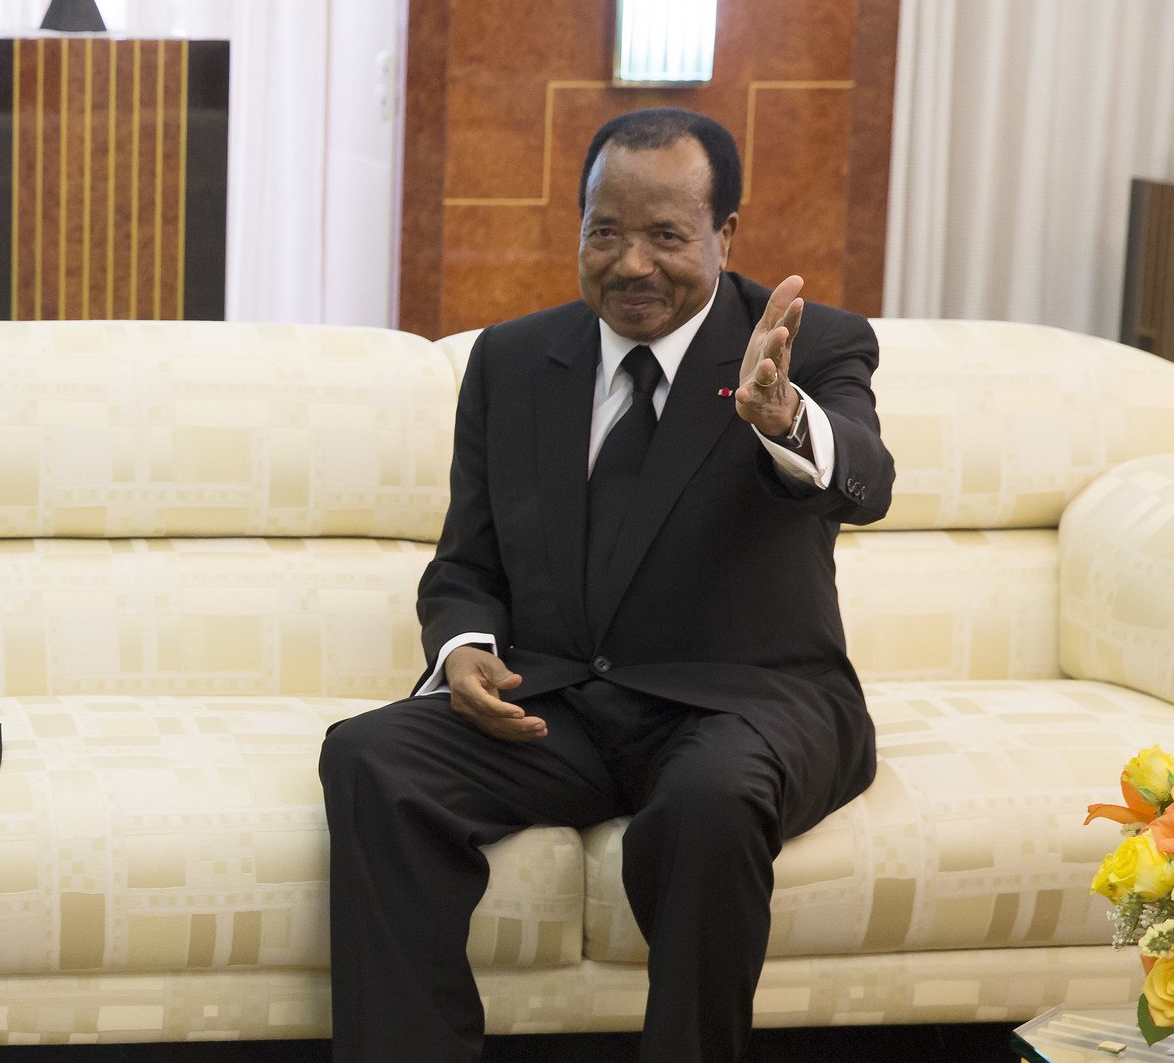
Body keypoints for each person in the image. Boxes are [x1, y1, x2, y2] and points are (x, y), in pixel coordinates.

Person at [318, 107, 895, 1063]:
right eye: (605, 232)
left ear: (725, 235)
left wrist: (785, 418)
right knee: (371, 758)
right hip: (569, 707)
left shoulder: (807, 344)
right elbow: (467, 562)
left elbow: (866, 480)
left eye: (667, 235)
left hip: (749, 702)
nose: (632, 263)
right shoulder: (511, 360)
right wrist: (465, 651)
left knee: (708, 803)